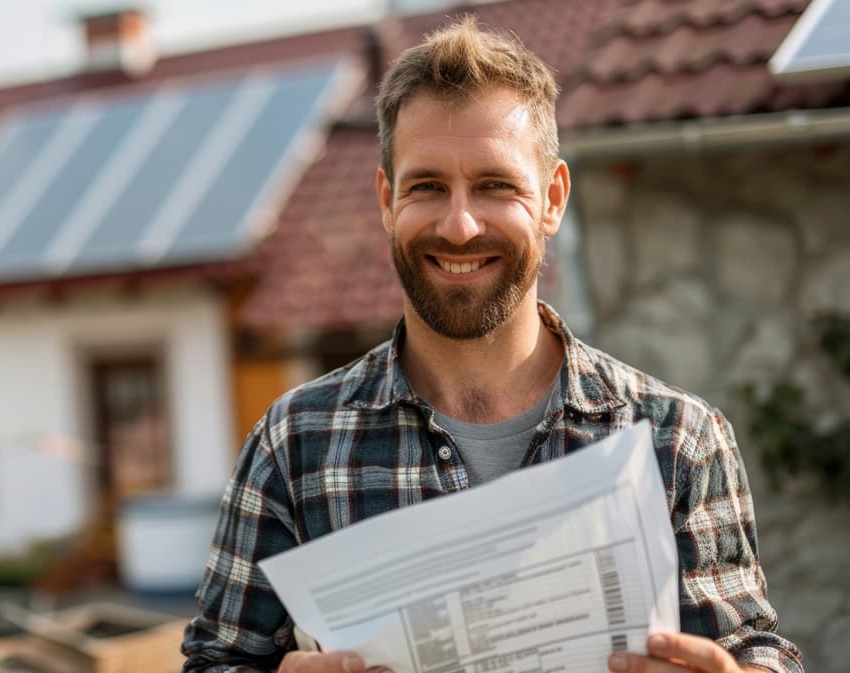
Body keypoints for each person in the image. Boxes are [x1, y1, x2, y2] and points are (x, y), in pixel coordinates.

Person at [181, 16, 803, 673]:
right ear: (387, 200)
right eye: (427, 187)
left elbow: (757, 645)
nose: (459, 223)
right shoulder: (295, 443)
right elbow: (216, 657)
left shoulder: (679, 440)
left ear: (553, 199)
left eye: (495, 185)